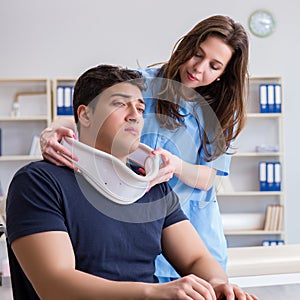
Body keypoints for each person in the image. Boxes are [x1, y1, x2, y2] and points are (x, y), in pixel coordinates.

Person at [5, 64, 257, 300]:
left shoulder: (153, 186)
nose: (135, 115)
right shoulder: (39, 182)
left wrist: (216, 284)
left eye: (139, 107)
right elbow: (54, 285)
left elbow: (195, 258)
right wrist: (153, 292)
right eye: (120, 104)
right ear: (85, 115)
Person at [40, 15, 249, 281]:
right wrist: (51, 130)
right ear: (186, 45)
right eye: (197, 54)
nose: (199, 68)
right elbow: (87, 110)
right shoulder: (141, 84)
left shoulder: (219, 111)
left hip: (194, 234)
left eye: (214, 66)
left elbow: (209, 177)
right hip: (136, 226)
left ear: (223, 74)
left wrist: (176, 166)